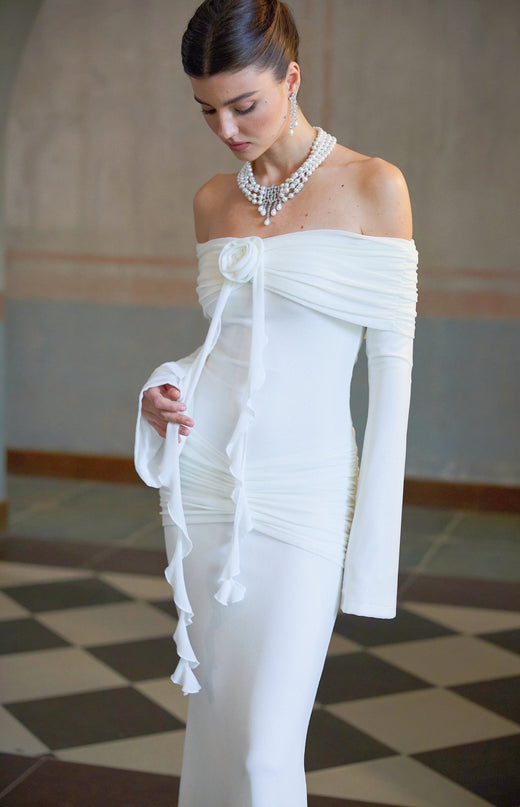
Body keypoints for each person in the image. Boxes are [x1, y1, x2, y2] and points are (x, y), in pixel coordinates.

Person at [135, 0, 418, 804]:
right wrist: (162, 391)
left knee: (266, 750)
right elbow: (222, 352)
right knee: (218, 722)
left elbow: (392, 386)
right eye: (207, 111)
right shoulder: (211, 203)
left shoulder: (374, 188)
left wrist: (373, 560)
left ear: (291, 78)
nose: (226, 128)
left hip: (308, 492)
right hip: (207, 484)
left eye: (244, 104)